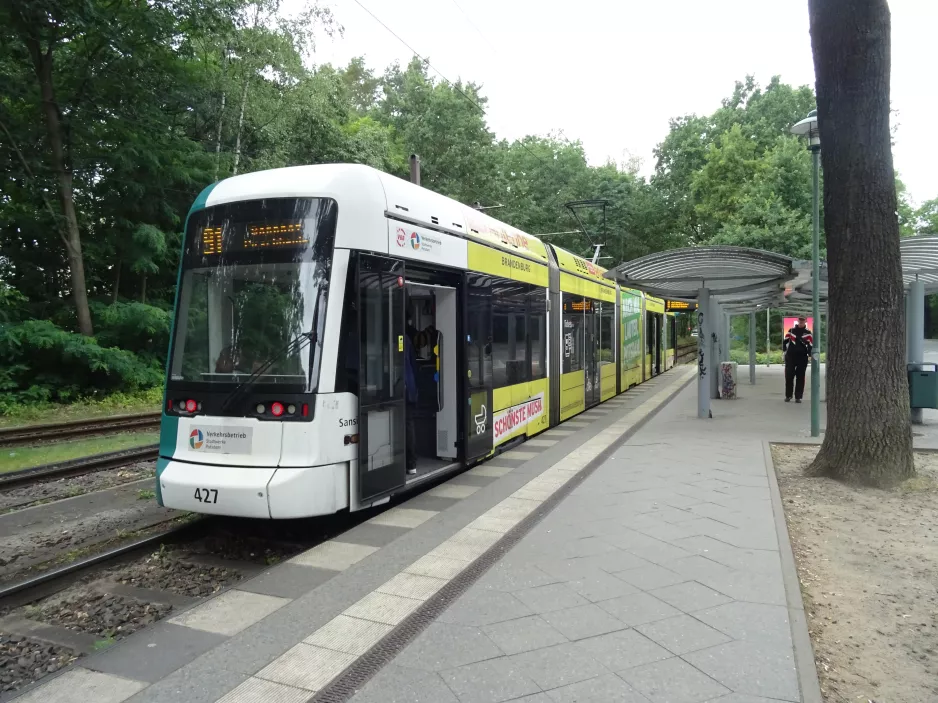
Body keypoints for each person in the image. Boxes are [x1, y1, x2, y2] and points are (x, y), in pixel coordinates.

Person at [783, 316, 813, 403]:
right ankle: (788, 395)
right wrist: (784, 351)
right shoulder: (791, 330)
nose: (801, 321)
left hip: (802, 357)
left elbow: (810, 345)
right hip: (790, 357)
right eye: (800, 320)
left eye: (803, 320)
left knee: (800, 377)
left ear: (805, 321)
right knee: (789, 376)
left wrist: (810, 354)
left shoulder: (808, 333)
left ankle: (798, 397)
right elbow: (785, 341)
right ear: (797, 320)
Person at [404, 325, 418, 475]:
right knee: (408, 424)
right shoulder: (406, 338)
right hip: (408, 387)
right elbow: (414, 365)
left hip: (398, 387)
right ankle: (411, 464)